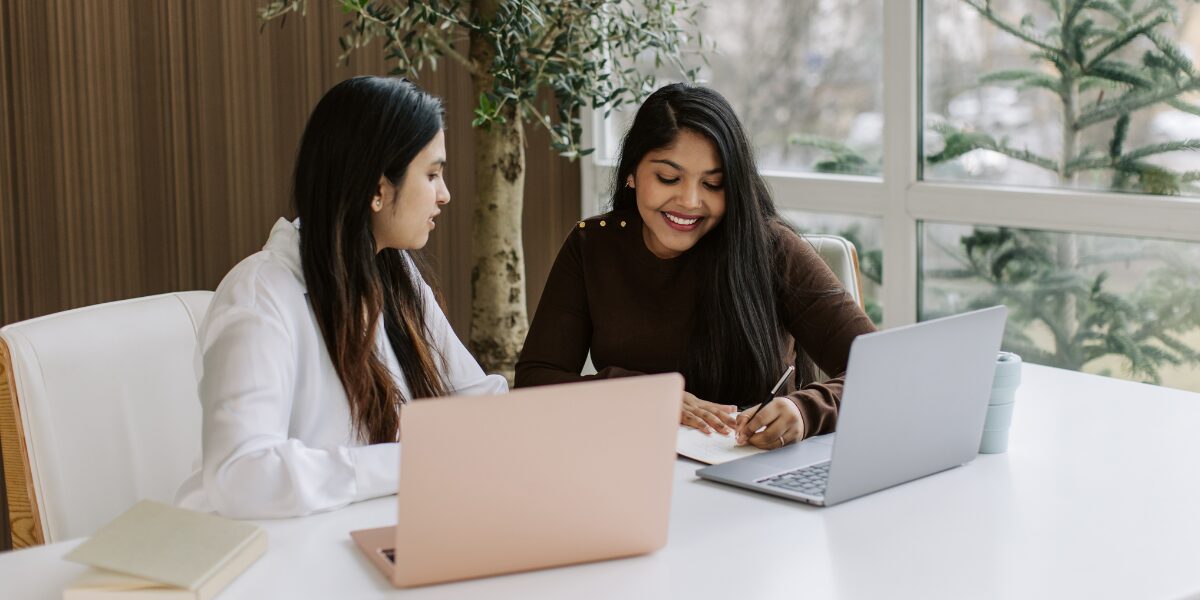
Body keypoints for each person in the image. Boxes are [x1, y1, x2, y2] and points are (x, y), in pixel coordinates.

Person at [175, 77, 506, 519]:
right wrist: (408, 461)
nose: (444, 194)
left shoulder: (396, 272)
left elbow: (473, 398)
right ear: (377, 188)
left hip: (371, 530)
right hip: (269, 557)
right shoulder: (260, 296)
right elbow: (241, 474)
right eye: (431, 175)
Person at [514, 83, 875, 449]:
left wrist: (805, 411)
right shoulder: (593, 245)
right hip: (634, 463)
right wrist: (644, 395)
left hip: (751, 465)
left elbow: (883, 370)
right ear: (632, 173)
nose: (689, 201)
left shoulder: (771, 249)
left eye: (713, 184)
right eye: (668, 178)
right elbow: (535, 380)